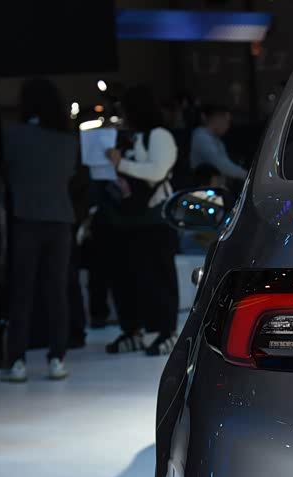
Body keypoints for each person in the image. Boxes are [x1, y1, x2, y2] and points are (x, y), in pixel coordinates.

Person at [0, 78, 77, 382]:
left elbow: (6, 173)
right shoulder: (67, 139)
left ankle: (17, 360)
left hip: (25, 218)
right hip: (60, 219)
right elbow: (71, 177)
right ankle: (57, 358)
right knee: (57, 293)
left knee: (22, 293)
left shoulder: (14, 136)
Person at [103, 85, 180, 356]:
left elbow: (157, 171)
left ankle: (166, 331)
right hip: (127, 219)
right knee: (127, 277)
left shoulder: (159, 136)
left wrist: (121, 164)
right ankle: (133, 329)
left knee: (158, 277)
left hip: (155, 219)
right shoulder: (128, 138)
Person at [189, 105, 248, 186]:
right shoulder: (201, 135)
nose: (228, 125)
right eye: (226, 120)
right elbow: (220, 164)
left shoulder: (217, 140)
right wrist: (247, 176)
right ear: (216, 119)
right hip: (204, 187)